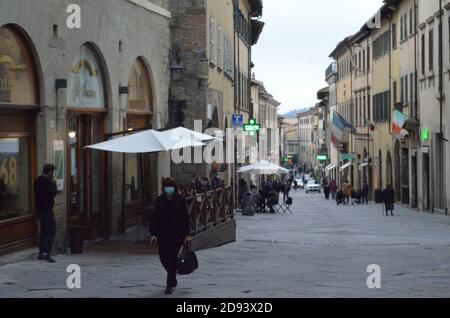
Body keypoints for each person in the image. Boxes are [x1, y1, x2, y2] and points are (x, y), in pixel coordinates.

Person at [150, 178, 192, 295]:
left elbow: (185, 218)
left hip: (176, 234)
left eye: (171, 186)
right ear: (163, 188)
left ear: (174, 188)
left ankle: (169, 284)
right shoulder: (159, 200)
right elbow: (155, 218)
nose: (169, 189)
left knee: (172, 257)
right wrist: (153, 234)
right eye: (166, 186)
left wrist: (187, 234)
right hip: (162, 234)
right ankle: (173, 276)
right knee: (163, 258)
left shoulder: (180, 200)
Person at [34, 164, 58, 263]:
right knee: (51, 231)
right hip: (46, 209)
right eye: (52, 172)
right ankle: (46, 253)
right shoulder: (47, 181)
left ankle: (41, 252)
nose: (52, 174)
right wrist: (54, 183)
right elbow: (53, 193)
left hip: (39, 209)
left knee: (44, 230)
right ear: (50, 172)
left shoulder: (37, 180)